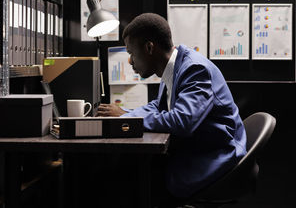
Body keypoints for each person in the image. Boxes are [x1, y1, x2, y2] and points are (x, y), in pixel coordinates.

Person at [97, 13, 247, 203]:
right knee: (129, 174)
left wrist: (128, 119)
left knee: (136, 181)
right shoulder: (173, 67)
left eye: (131, 53)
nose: (130, 61)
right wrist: (126, 113)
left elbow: (182, 121)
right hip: (198, 146)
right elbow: (158, 106)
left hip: (215, 154)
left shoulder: (195, 69)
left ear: (149, 47)